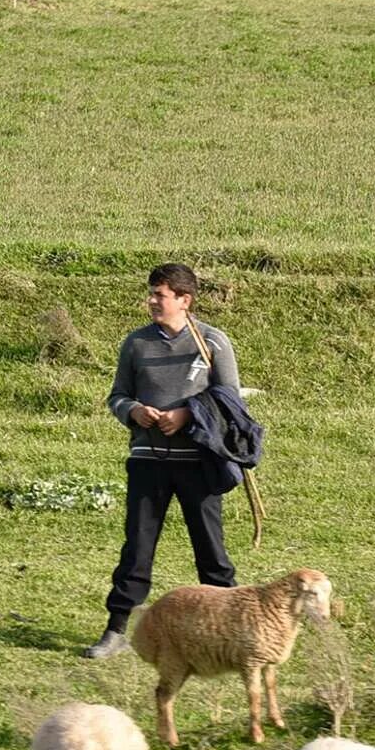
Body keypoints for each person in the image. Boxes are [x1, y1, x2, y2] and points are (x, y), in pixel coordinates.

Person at [81, 263, 240, 659]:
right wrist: (133, 411)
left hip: (199, 464)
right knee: (137, 548)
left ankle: (229, 633)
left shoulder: (213, 342)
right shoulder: (135, 344)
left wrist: (186, 415)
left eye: (160, 295)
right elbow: (116, 396)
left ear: (184, 300)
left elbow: (231, 401)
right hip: (147, 461)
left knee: (211, 551)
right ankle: (117, 630)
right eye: (151, 293)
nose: (151, 301)